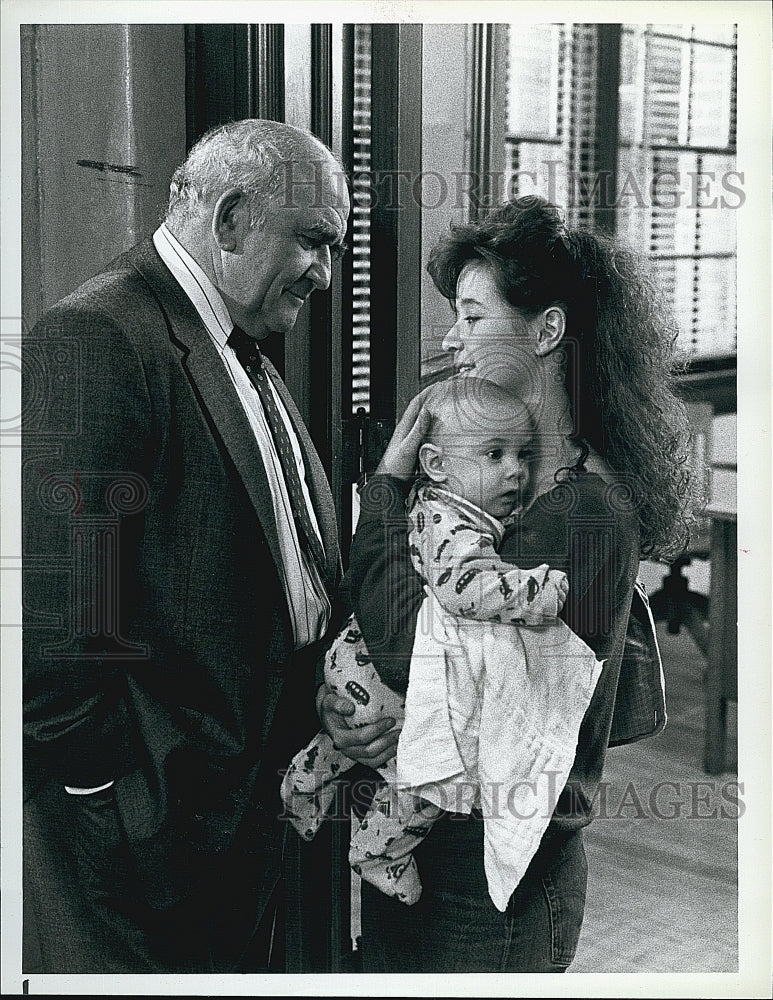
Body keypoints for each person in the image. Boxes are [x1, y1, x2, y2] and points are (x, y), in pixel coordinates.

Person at [317, 196, 693, 972]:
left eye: (472, 316)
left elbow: (412, 656)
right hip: (444, 854)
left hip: (496, 890)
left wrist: (386, 488)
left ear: (546, 331)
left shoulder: (581, 511)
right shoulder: (515, 487)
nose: (452, 340)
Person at [22, 119, 350, 973]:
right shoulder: (99, 335)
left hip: (244, 809)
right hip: (157, 826)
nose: (326, 271)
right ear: (234, 220)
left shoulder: (241, 345)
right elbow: (65, 623)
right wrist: (111, 800)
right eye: (314, 241)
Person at [282, 377, 601, 912]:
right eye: (493, 454)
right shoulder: (450, 522)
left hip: (354, 664)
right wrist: (532, 590)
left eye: (522, 456)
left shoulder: (435, 507)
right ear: (435, 464)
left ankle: (303, 785)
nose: (514, 471)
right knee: (432, 772)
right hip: (377, 671)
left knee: (357, 738)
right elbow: (462, 587)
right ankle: (377, 852)